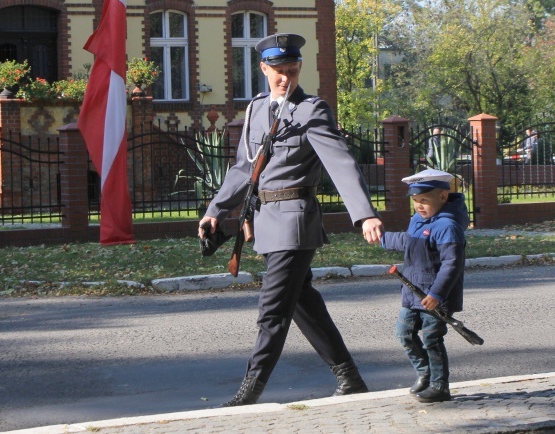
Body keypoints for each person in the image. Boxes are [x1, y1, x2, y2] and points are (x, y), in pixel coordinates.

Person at [198, 33, 384, 407]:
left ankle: (250, 390)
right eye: (279, 71)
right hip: (267, 222)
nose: (286, 78)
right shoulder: (255, 110)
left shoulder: (312, 110)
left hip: (295, 222)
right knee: (302, 302)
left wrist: (364, 213)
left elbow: (340, 163)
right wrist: (216, 210)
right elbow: (242, 169)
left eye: (293, 70)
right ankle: (349, 377)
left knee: (273, 309)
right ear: (264, 68)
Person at [380, 168, 468, 403]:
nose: (419, 205)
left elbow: (452, 264)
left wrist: (437, 293)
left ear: (442, 197)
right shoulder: (420, 220)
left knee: (431, 339)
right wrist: (383, 238)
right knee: (405, 334)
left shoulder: (448, 226)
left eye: (424, 200)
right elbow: (408, 242)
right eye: (416, 200)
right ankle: (424, 373)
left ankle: (440, 386)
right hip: (412, 291)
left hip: (434, 297)